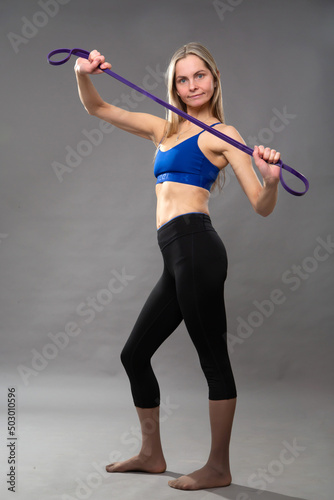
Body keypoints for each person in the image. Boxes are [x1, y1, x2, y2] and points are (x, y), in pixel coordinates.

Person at [74, 42, 281, 491]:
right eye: (182, 79)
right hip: (173, 255)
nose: (192, 86)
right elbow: (98, 108)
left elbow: (261, 206)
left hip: (198, 249)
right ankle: (151, 454)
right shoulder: (162, 129)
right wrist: (83, 73)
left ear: (214, 78)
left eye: (199, 76)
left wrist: (271, 181)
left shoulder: (225, 135)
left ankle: (219, 467)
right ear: (174, 85)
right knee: (134, 355)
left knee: (213, 360)